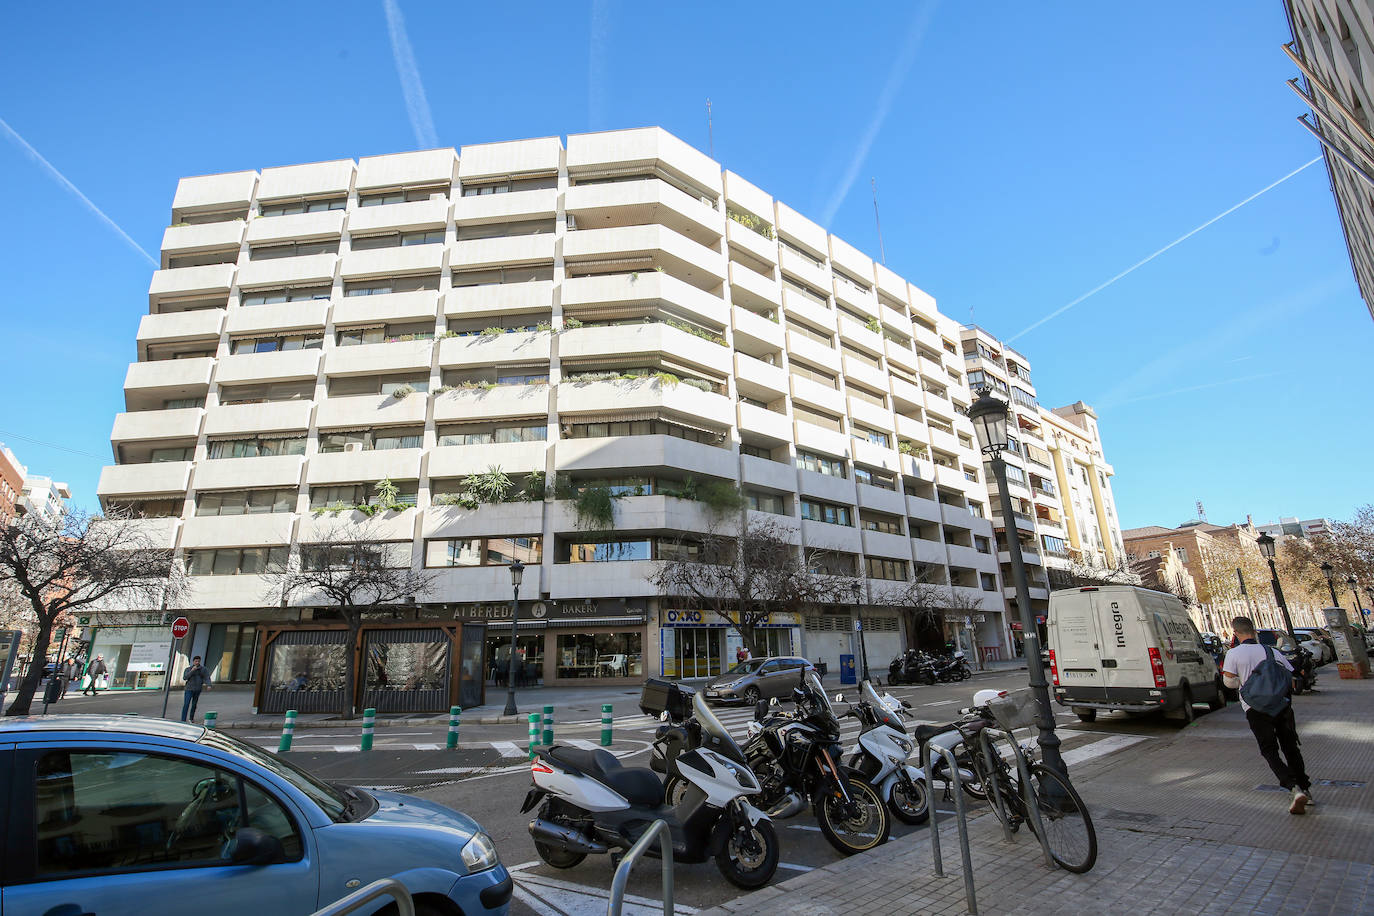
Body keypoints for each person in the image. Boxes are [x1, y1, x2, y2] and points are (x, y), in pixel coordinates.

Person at [1222, 616, 1311, 815]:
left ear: (1235, 633)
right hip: (1280, 706)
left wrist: (1246, 683)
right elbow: (1288, 675)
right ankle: (1304, 787)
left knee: (1269, 749)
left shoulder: (1234, 654)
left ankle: (1292, 787)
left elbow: (1228, 683)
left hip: (1254, 708)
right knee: (1290, 747)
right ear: (1254, 631)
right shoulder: (1271, 651)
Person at [180, 656, 210, 722]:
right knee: (186, 704)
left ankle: (191, 718)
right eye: (196, 661)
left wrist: (208, 685)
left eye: (198, 661)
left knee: (194, 704)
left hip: (197, 689)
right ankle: (183, 719)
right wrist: (192, 671)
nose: (197, 663)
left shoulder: (203, 669)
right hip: (189, 689)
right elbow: (185, 677)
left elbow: (206, 677)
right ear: (193, 662)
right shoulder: (188, 669)